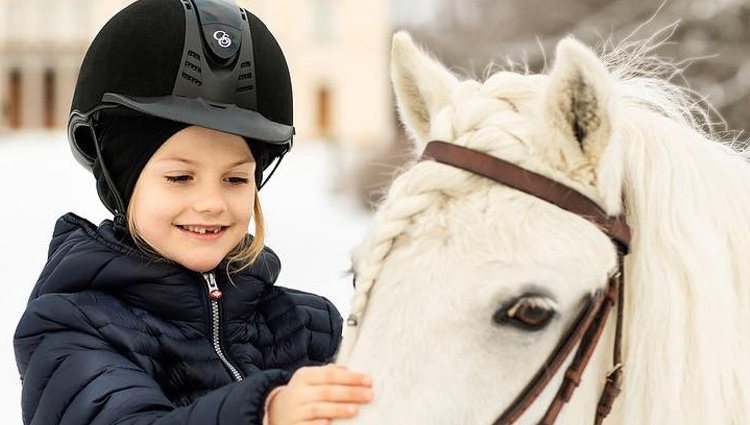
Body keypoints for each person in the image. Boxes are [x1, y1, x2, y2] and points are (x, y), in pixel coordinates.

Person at [13, 1, 373, 424]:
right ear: (122, 183)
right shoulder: (72, 330)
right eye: (181, 177)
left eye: (235, 179)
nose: (212, 202)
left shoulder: (309, 328)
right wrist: (265, 413)